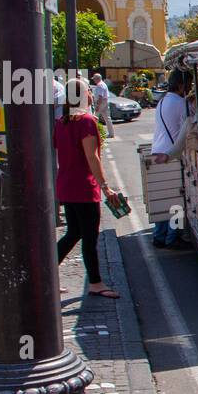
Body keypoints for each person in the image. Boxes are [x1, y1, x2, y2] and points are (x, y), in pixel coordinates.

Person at [54, 78, 120, 299]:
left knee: (74, 232)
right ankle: (95, 282)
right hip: (84, 186)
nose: (92, 94)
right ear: (84, 95)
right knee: (90, 236)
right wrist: (106, 187)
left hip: (66, 184)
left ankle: (47, 274)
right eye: (88, 91)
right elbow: (92, 157)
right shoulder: (87, 121)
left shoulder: (61, 122)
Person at [150, 68, 192, 247]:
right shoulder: (181, 103)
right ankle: (173, 237)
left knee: (163, 198)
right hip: (171, 154)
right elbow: (187, 129)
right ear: (182, 85)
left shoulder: (162, 101)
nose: (190, 89)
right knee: (176, 200)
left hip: (157, 151)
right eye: (189, 85)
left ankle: (159, 235)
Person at [90, 72, 114, 138]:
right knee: (107, 118)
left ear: (97, 79)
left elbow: (100, 96)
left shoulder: (99, 85)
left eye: (94, 79)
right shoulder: (103, 84)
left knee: (95, 117)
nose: (94, 80)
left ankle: (94, 133)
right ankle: (111, 133)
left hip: (101, 102)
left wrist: (97, 106)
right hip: (105, 101)